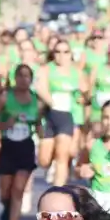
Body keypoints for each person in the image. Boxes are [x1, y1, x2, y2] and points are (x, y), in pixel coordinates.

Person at [0, 64, 43, 220]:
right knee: (5, 192)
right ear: (15, 77)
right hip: (7, 146)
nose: (24, 79)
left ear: (31, 79)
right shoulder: (6, 97)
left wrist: (41, 130)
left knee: (18, 189)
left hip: (25, 146)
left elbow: (39, 126)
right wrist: (7, 122)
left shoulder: (36, 101)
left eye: (27, 76)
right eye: (20, 75)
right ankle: (7, 209)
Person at [38, 39, 88, 187]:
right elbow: (41, 88)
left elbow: (86, 93)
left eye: (66, 52)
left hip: (68, 116)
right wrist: (52, 102)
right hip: (50, 114)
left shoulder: (77, 72)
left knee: (63, 156)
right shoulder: (47, 69)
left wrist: (82, 98)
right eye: (58, 52)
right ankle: (52, 164)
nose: (62, 55)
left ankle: (57, 191)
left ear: (71, 54)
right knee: (43, 160)